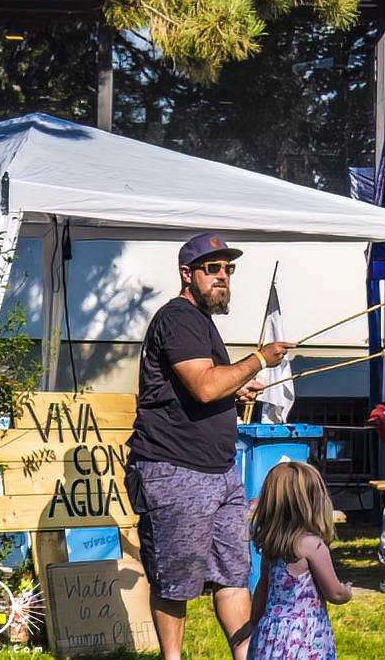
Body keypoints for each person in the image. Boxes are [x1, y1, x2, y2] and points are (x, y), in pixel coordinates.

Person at [125, 232, 293, 660]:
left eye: (228, 269)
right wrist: (259, 359)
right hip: (175, 469)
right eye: (212, 268)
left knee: (233, 575)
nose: (223, 276)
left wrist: (234, 390)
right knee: (175, 580)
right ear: (188, 274)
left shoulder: (200, 322)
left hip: (220, 471)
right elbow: (203, 386)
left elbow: (199, 388)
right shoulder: (179, 318)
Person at [248, 460, 352, 660]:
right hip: (305, 637)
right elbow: (334, 593)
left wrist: (254, 624)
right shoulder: (313, 546)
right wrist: (346, 591)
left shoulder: (272, 545)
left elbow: (262, 589)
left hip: (269, 633)